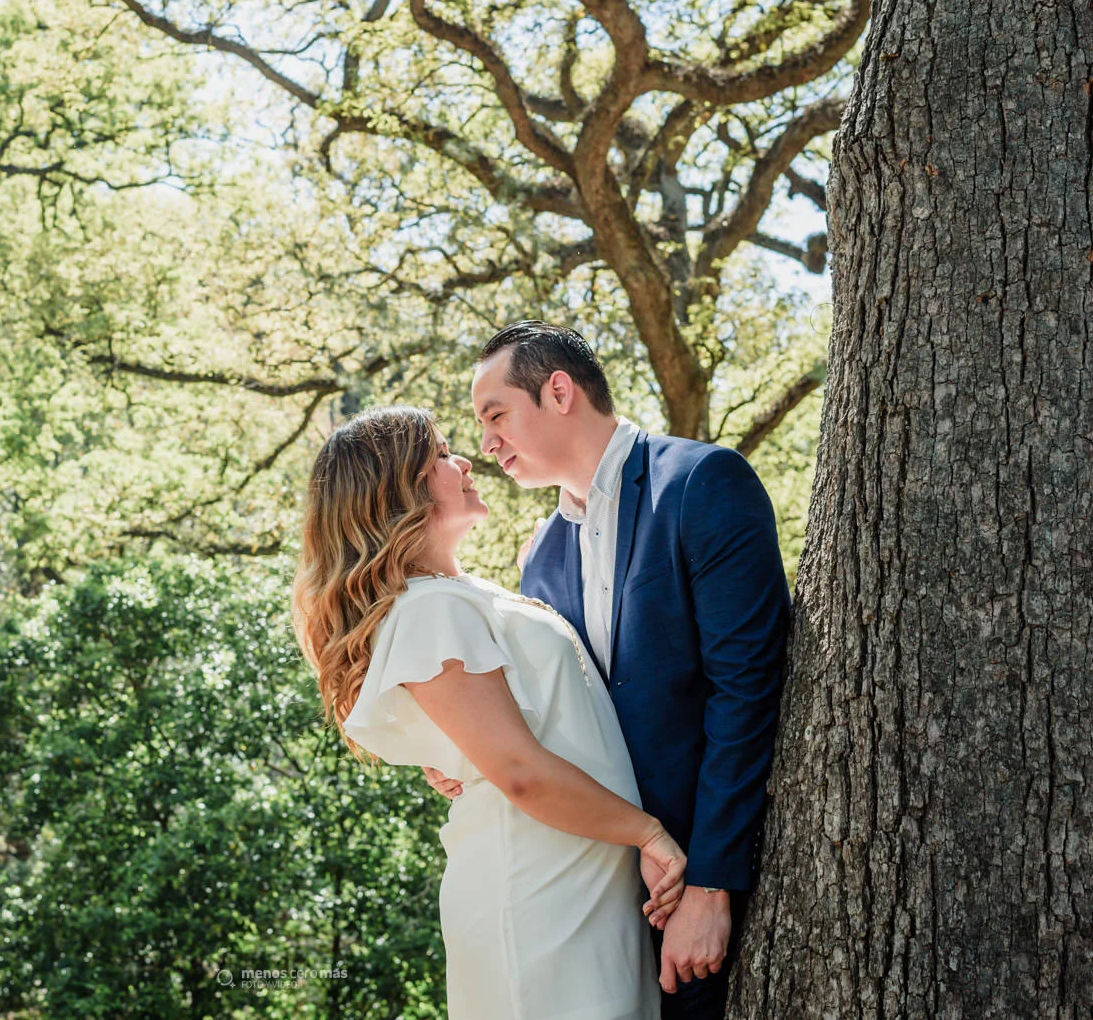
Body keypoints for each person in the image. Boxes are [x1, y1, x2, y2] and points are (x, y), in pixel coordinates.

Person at [427, 321, 791, 1020]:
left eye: (495, 414)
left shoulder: (701, 484)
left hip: (721, 876)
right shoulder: (541, 555)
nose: (487, 442)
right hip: (602, 890)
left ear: (558, 391)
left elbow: (747, 692)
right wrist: (464, 751)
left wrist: (711, 886)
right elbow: (555, 709)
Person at [292, 404, 685, 1020]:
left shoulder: (469, 595)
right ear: (401, 490)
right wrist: (650, 835)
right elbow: (519, 771)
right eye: (443, 455)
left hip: (579, 879)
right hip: (534, 892)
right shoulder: (429, 611)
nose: (465, 460)